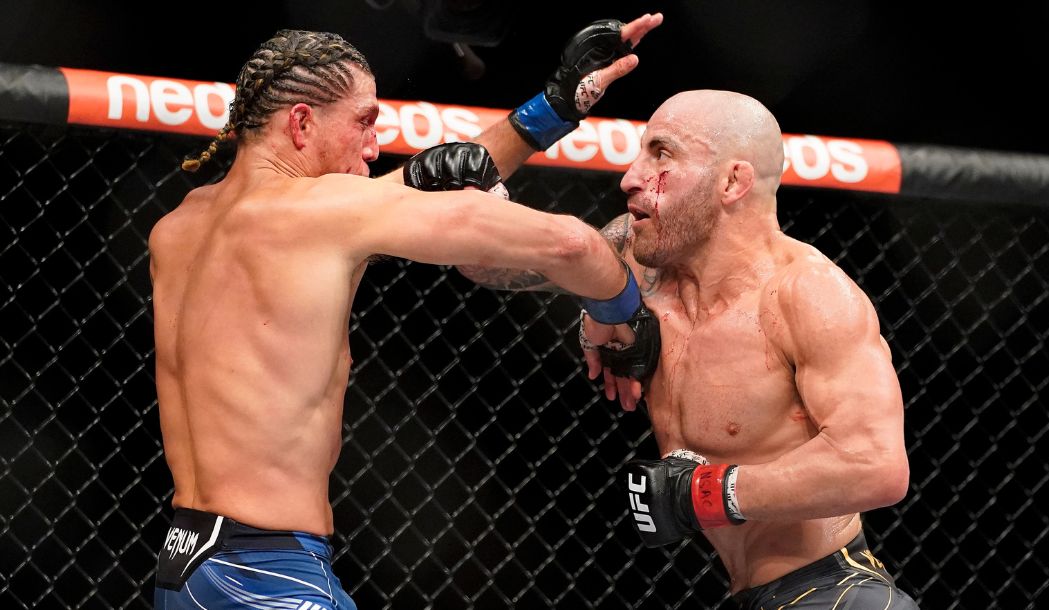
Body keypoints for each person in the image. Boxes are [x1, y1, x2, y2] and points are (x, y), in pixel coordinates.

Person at [148, 15, 662, 609]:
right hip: (268, 576)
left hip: (188, 563)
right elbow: (572, 245)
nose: (374, 146)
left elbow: (427, 180)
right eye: (364, 123)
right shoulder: (327, 213)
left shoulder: (179, 225)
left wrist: (555, 105)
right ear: (301, 122)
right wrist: (622, 312)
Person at [460, 90, 919, 608]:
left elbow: (876, 466)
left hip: (834, 590)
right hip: (746, 593)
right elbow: (480, 257)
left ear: (732, 182)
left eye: (662, 154)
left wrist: (698, 494)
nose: (631, 177)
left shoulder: (807, 294)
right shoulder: (636, 263)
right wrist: (551, 108)